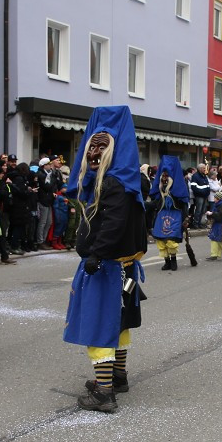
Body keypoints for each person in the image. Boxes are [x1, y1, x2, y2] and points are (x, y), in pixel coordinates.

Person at [64, 106, 148, 413]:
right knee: (119, 323)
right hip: (121, 267)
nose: (94, 151)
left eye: (103, 146)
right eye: (92, 146)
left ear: (115, 151)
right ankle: (117, 376)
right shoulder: (122, 181)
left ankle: (103, 392)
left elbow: (112, 224)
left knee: (99, 326)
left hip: (106, 268)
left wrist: (96, 254)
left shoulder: (112, 183)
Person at [148, 155, 189, 271]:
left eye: (167, 176)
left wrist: (186, 218)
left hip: (174, 215)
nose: (164, 178)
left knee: (171, 240)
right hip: (161, 215)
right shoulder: (159, 189)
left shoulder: (178, 189)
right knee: (161, 240)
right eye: (163, 176)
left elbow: (184, 204)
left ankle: (173, 261)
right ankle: (167, 262)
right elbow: (155, 203)